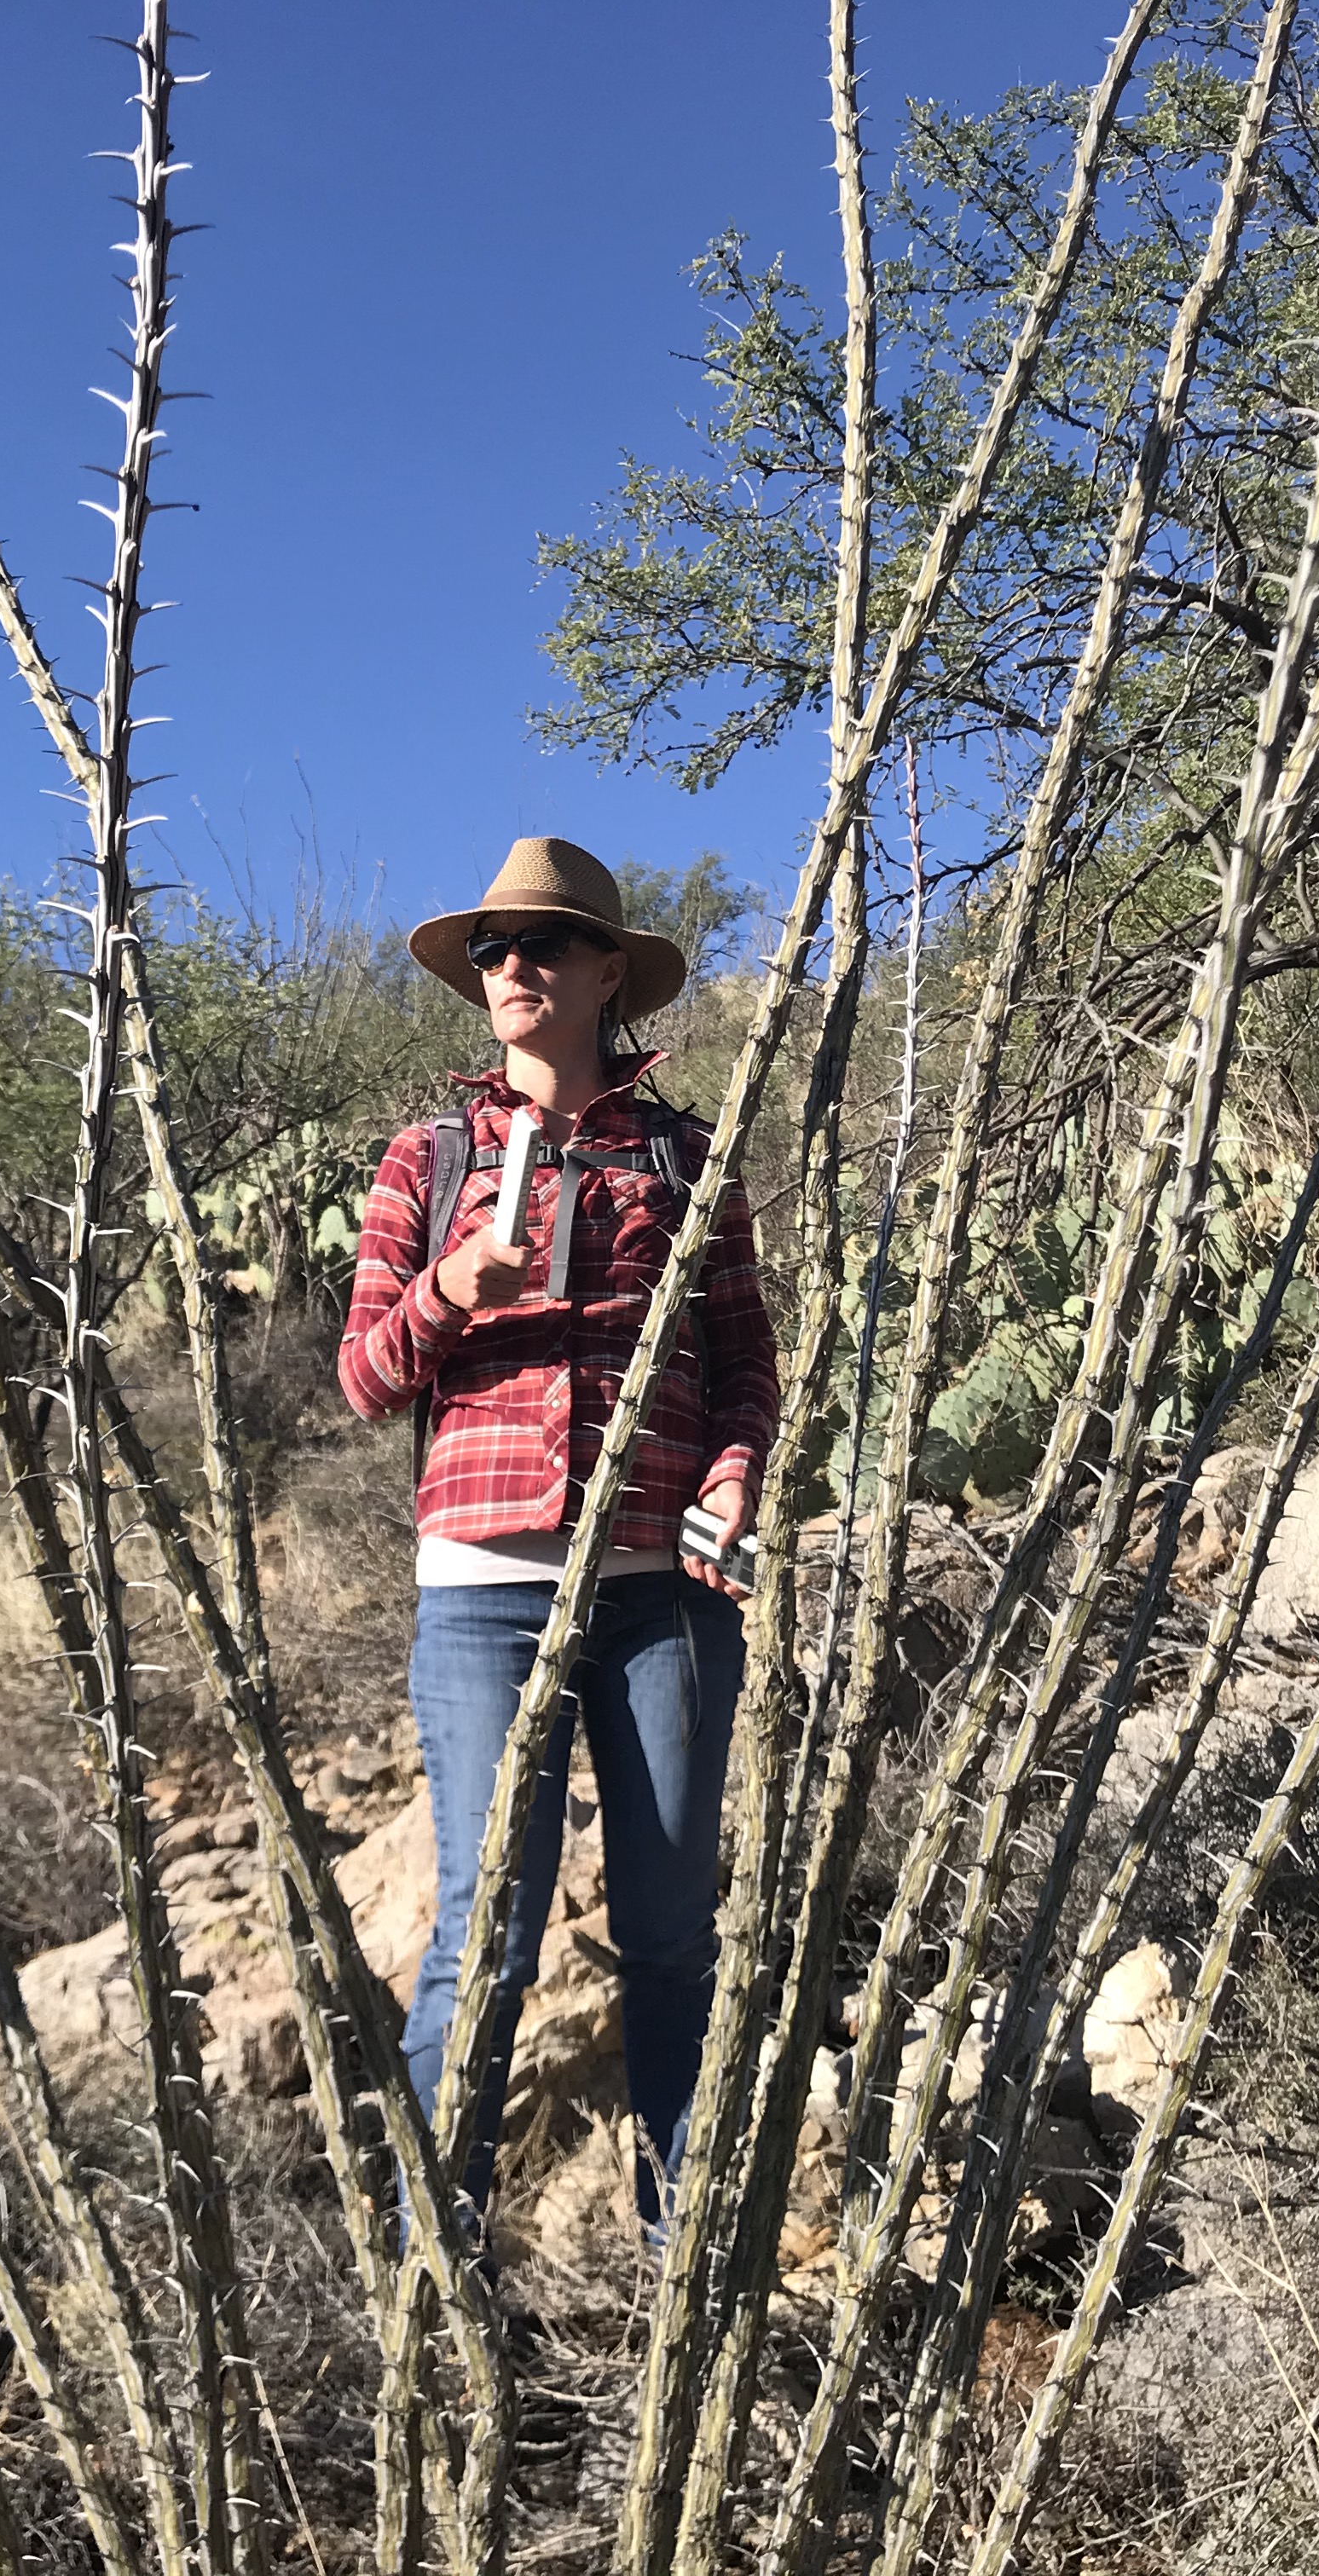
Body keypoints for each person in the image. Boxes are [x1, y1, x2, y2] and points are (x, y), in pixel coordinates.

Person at [337, 835, 775, 2236]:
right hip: (479, 1588)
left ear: (605, 975)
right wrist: (455, 1287)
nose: (510, 968)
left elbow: (743, 1355)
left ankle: (681, 2254)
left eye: (538, 946)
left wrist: (738, 1468)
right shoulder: (428, 1158)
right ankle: (432, 2273)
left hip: (662, 1584)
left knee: (669, 1936)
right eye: (490, 950)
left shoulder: (687, 1158)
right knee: (485, 1939)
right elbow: (363, 1377)